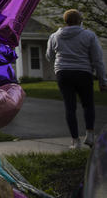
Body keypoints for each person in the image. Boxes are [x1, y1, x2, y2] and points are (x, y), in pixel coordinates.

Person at [46, 9, 107, 149]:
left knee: (70, 107)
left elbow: (49, 56)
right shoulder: (89, 35)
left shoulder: (55, 36)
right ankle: (90, 136)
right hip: (83, 73)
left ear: (65, 21)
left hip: (63, 73)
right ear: (80, 21)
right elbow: (97, 60)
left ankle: (75, 141)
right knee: (88, 104)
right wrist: (103, 81)